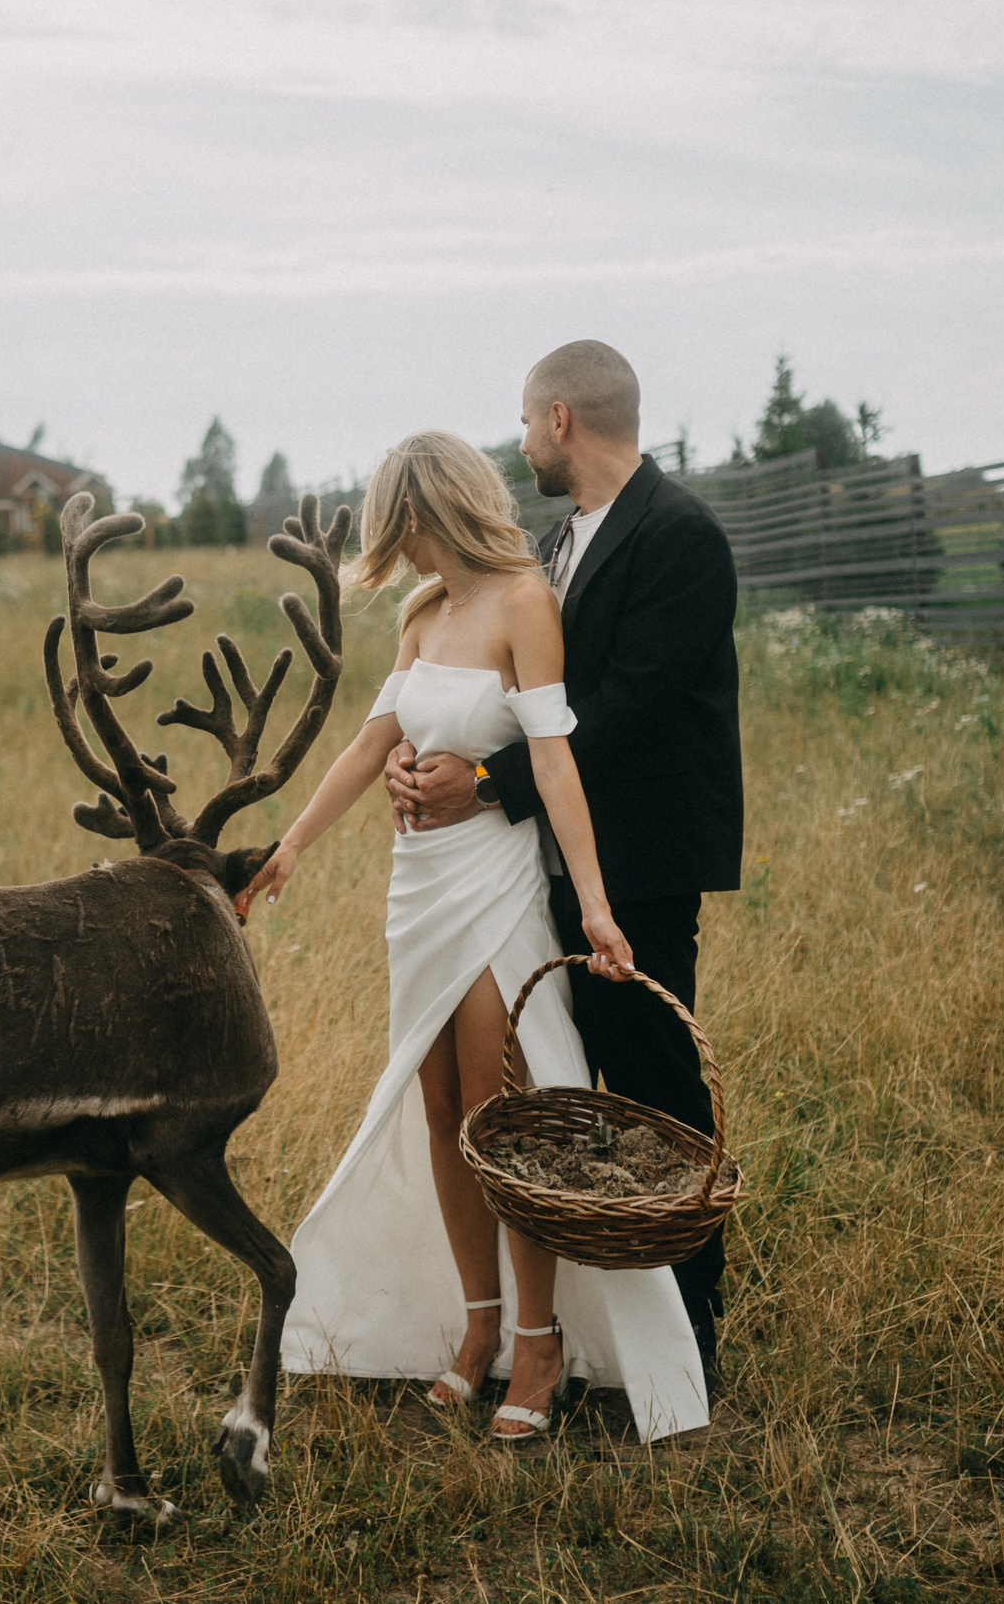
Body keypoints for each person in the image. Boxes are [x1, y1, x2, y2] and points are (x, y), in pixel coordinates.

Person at [239, 430, 712, 1443]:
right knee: (441, 1104)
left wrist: (591, 903)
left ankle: (539, 1342)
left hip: (491, 885)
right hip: (417, 887)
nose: (393, 549)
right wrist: (291, 846)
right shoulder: (421, 611)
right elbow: (374, 743)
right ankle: (478, 1328)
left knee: (504, 1116)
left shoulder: (523, 603)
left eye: (394, 526)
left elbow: (553, 762)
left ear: (425, 511)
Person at [386, 340, 744, 1392]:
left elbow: (621, 711)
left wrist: (486, 781)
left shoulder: (681, 536)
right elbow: (524, 691)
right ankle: (576, 1328)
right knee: (551, 1090)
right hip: (536, 863)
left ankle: (686, 1333)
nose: (520, 440)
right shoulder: (556, 542)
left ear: (559, 422)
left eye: (525, 420)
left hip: (638, 862)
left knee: (651, 1093)